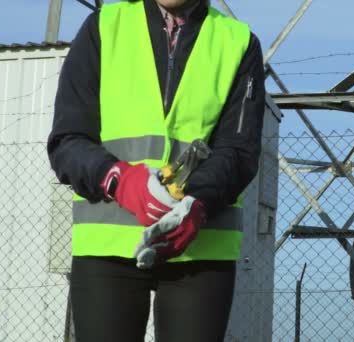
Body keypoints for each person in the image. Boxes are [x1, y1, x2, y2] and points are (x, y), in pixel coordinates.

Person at [47, 0, 265, 340]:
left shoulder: (238, 41)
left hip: (200, 245)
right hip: (108, 244)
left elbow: (239, 150)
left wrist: (199, 203)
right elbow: (67, 140)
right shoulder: (104, 26)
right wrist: (119, 179)